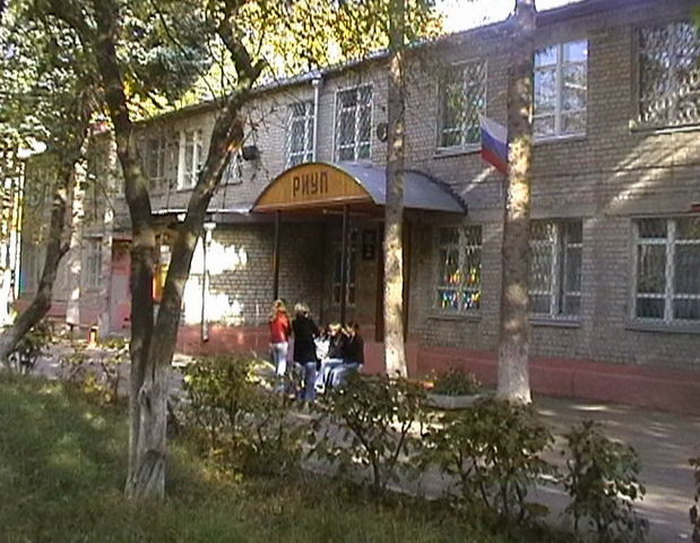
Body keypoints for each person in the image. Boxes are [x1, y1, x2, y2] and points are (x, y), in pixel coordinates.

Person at [291, 302, 319, 402]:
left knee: (298, 379)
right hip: (310, 354)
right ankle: (308, 400)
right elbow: (317, 332)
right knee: (310, 381)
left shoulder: (294, 323)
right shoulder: (309, 322)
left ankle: (298, 398)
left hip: (298, 355)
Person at [327, 321, 364, 389]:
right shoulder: (348, 338)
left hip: (355, 362)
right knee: (332, 371)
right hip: (347, 361)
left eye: (348, 328)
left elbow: (353, 351)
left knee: (337, 372)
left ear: (352, 329)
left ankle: (336, 388)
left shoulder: (358, 339)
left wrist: (348, 337)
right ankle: (331, 386)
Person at [315, 322, 347, 393]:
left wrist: (329, 356)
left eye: (332, 330)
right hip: (333, 359)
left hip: (341, 359)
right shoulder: (333, 339)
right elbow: (331, 349)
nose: (330, 332)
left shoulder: (343, 339)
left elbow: (339, 351)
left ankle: (318, 384)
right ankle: (325, 387)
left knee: (324, 362)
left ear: (337, 331)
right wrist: (327, 355)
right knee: (326, 369)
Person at [268, 299, 291, 378]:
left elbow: (271, 329)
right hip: (282, 341)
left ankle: (276, 378)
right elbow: (287, 328)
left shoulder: (272, 317)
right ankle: (280, 380)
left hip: (273, 341)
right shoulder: (283, 316)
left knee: (277, 362)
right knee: (282, 361)